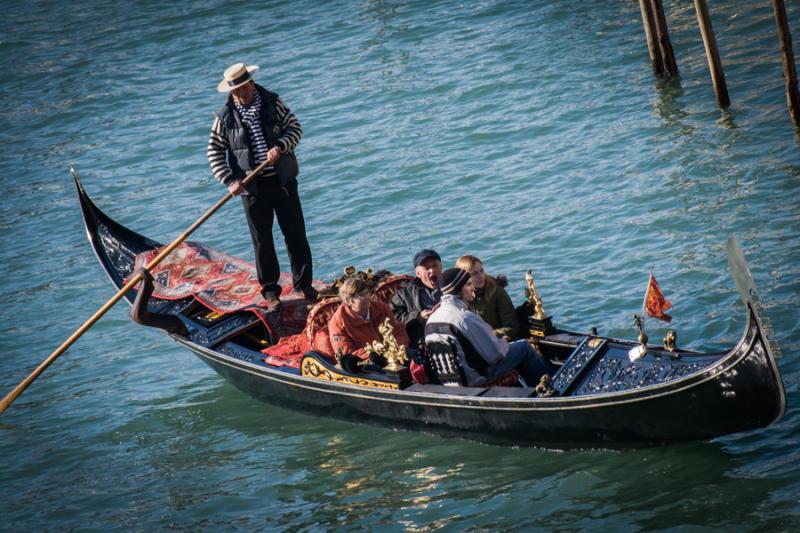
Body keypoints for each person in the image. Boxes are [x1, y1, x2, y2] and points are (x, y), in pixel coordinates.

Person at [207, 62, 315, 312]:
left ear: (252, 84)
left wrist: (281, 145)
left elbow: (295, 128)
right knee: (262, 240)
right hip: (251, 187)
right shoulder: (224, 117)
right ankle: (270, 291)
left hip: (282, 180)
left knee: (295, 234)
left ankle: (304, 285)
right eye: (237, 92)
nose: (242, 95)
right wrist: (230, 180)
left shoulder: (273, 102)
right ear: (231, 93)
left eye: (245, 89)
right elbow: (214, 151)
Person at [425, 268, 553, 387]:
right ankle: (551, 387)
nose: (473, 288)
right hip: (476, 378)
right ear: (458, 291)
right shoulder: (464, 318)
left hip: (451, 383)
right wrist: (503, 341)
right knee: (524, 347)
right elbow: (495, 355)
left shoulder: (432, 318)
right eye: (468, 285)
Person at [329, 277, 410, 360]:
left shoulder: (382, 308)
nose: (367, 297)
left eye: (367, 292)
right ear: (349, 301)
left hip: (394, 353)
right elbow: (346, 353)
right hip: (366, 363)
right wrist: (376, 353)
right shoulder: (338, 323)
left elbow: (398, 330)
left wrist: (401, 346)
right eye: (361, 295)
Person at [455, 255, 519, 339]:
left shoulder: (496, 291)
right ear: (464, 278)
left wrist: (486, 337)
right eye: (474, 274)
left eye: (481, 270)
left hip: (498, 343)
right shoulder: (458, 297)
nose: (480, 276)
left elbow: (512, 327)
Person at [390, 249, 442, 350]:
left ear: (441, 266)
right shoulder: (404, 294)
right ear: (418, 274)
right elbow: (393, 319)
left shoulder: (452, 285)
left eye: (435, 265)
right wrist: (418, 317)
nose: (432, 270)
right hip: (423, 341)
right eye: (426, 268)